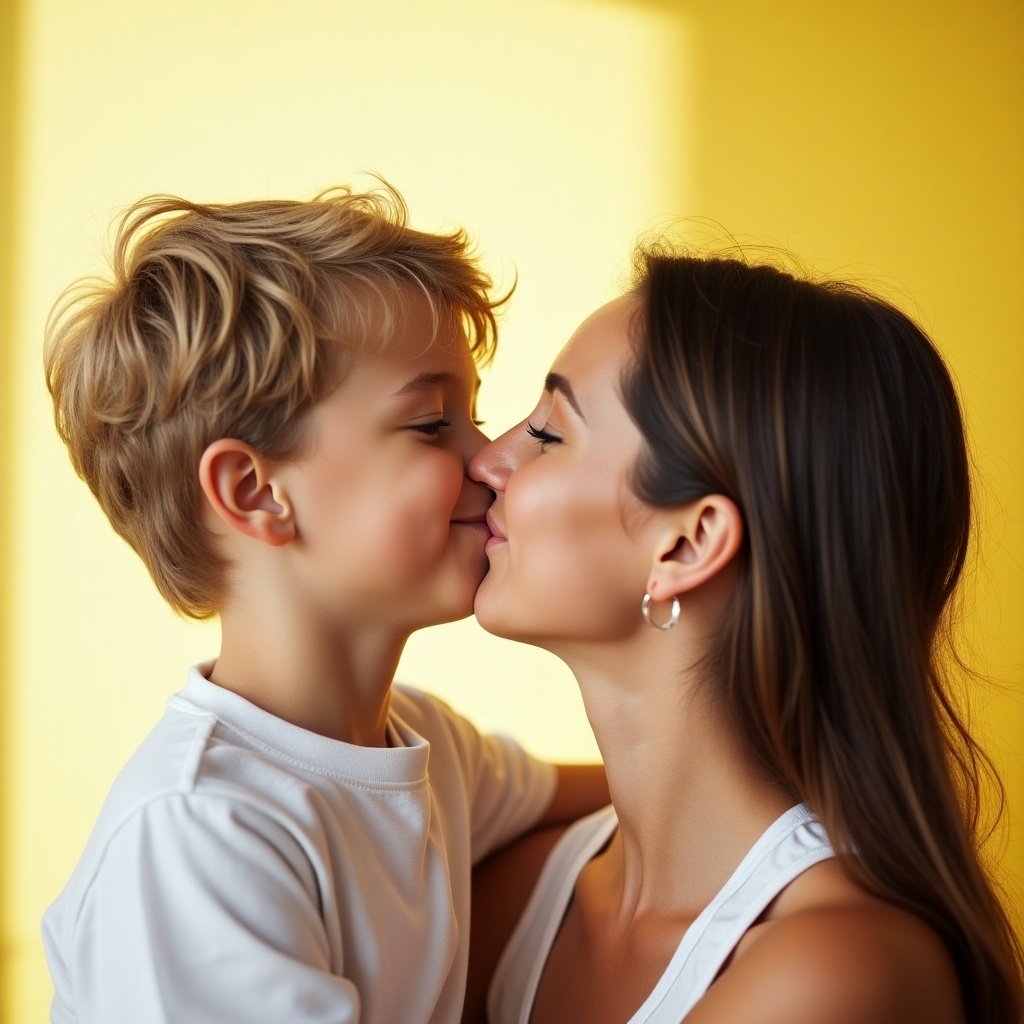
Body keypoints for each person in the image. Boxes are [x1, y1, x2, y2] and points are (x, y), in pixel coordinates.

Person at [40, 184, 607, 1024]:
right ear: (255, 491)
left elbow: (636, 796)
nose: (489, 459)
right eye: (430, 424)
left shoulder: (426, 742)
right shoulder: (199, 832)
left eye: (474, 414)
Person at [469, 248, 1024, 1023]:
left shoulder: (835, 973)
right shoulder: (517, 884)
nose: (486, 459)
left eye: (548, 433)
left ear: (688, 546)